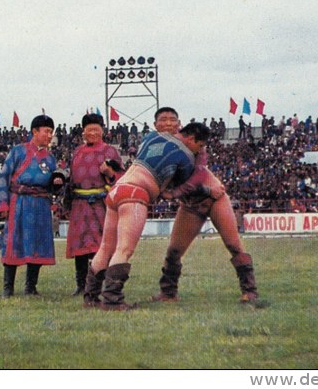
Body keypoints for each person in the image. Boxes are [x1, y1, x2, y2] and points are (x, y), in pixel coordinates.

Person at [87, 122, 212, 310]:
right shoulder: (186, 156)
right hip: (135, 194)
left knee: (105, 248)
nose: (198, 150)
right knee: (124, 249)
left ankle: (90, 297)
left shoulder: (152, 137)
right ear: (192, 139)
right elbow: (182, 186)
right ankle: (112, 299)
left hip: (117, 190)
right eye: (200, 146)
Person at [147, 107, 259, 304]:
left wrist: (174, 193)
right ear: (155, 125)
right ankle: (168, 293)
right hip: (190, 205)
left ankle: (249, 290)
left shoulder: (193, 143)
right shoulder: (152, 147)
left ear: (179, 124)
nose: (168, 123)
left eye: (172, 119)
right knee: (173, 251)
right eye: (163, 120)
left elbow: (198, 175)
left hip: (214, 199)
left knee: (233, 244)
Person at [0, 114, 64, 297]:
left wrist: (57, 182)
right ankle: (8, 289)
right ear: (35, 131)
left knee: (37, 244)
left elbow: (51, 185)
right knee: (14, 243)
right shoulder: (18, 151)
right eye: (46, 131)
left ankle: (30, 287)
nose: (50, 136)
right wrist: (2, 204)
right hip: (19, 203)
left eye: (51, 132)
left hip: (41, 204)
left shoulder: (50, 158)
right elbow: (4, 176)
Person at [65, 113, 124, 295]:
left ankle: (98, 284)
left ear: (102, 131)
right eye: (89, 130)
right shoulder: (77, 152)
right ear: (83, 132)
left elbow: (121, 177)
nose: (92, 133)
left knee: (102, 246)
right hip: (80, 205)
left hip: (101, 204)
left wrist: (109, 173)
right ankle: (81, 285)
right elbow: (71, 180)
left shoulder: (110, 152)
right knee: (80, 248)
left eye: (96, 129)